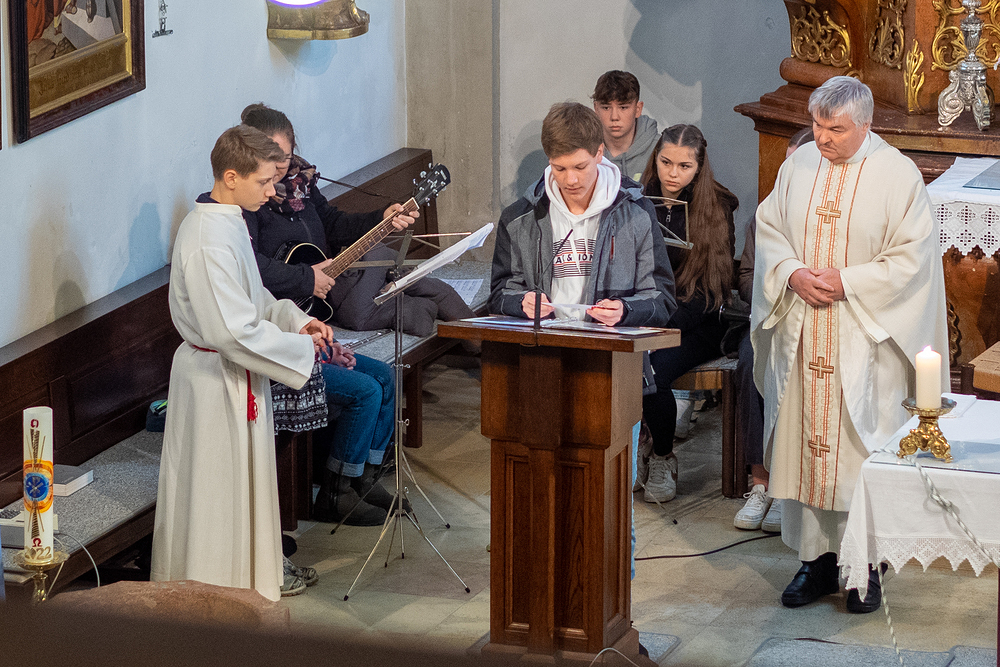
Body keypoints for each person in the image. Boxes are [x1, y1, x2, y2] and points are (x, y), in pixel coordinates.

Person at [752, 76, 948, 613]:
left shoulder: (897, 175)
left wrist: (847, 281)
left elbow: (912, 259)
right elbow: (769, 230)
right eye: (817, 125)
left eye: (835, 129)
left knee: (860, 455)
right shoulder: (798, 165)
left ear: (866, 124)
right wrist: (791, 273)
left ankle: (865, 567)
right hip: (803, 332)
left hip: (865, 338)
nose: (822, 137)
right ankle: (815, 562)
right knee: (805, 450)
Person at [151, 125, 333, 602]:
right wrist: (299, 351)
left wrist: (296, 322)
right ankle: (211, 597)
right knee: (215, 496)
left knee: (239, 492)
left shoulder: (230, 221)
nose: (272, 192)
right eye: (264, 182)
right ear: (230, 177)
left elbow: (253, 299)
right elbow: (230, 331)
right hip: (214, 383)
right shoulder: (207, 238)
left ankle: (246, 587)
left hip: (235, 376)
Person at [489, 102, 674, 329]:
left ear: (599, 153)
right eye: (560, 168)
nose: (571, 180)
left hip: (608, 346)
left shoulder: (638, 213)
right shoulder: (518, 218)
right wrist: (520, 303)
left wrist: (625, 310)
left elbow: (661, 300)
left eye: (580, 167)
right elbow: (499, 295)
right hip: (544, 344)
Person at [635, 125, 739, 504]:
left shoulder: (717, 206)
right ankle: (638, 441)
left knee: (654, 371)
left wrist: (660, 326)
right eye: (665, 162)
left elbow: (711, 291)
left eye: (684, 166)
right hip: (647, 313)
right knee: (622, 362)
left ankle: (663, 455)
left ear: (699, 167)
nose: (672, 173)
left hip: (698, 319)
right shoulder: (637, 200)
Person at [733, 127, 813, 533]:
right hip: (771, 317)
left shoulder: (828, 216)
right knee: (752, 361)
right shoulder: (765, 214)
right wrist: (781, 289)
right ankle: (761, 482)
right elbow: (746, 276)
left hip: (817, 320)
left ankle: (789, 488)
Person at [592, 70, 659, 183]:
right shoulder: (582, 149)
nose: (614, 117)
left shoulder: (660, 150)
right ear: (596, 109)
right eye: (606, 108)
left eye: (623, 107)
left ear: (638, 109)